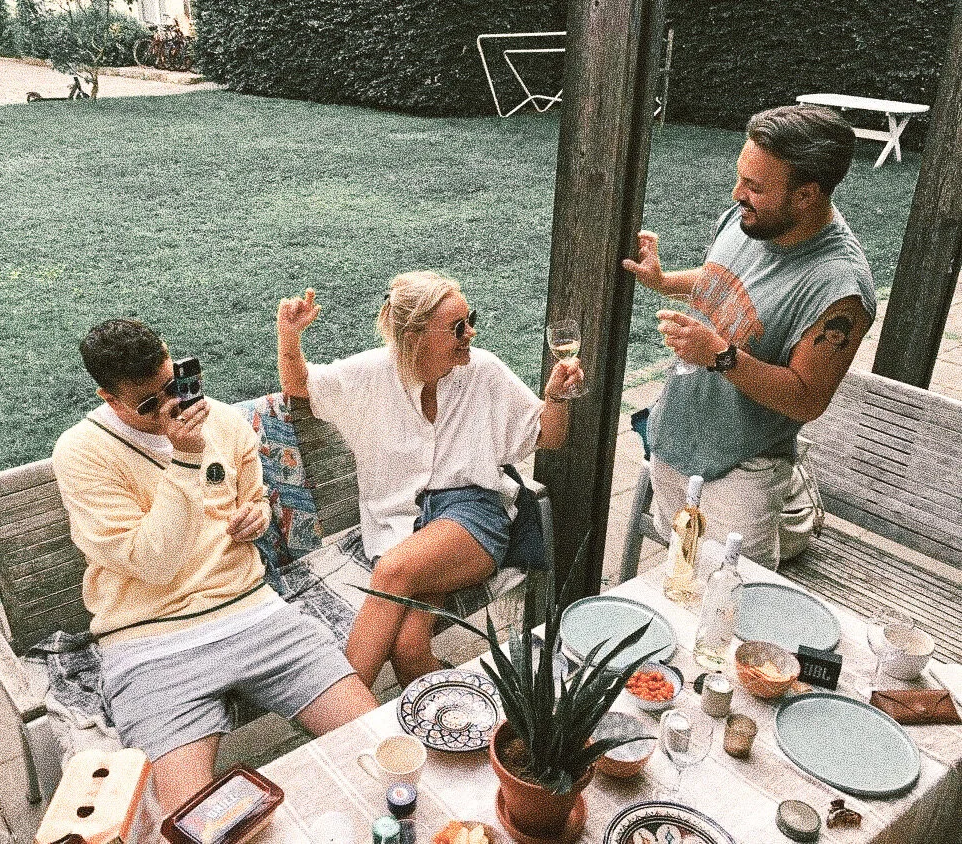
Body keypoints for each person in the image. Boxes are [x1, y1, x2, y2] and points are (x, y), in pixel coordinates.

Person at [52, 318, 377, 813]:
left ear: (172, 358)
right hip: (151, 641)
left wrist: (257, 516)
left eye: (173, 386)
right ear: (108, 398)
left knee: (377, 742)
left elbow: (252, 498)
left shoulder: (224, 421)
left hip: (253, 612)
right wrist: (185, 459)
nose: (170, 408)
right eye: (148, 404)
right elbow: (151, 562)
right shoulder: (81, 453)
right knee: (189, 819)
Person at [276, 271, 584, 689]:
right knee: (408, 650)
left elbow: (548, 435)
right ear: (416, 336)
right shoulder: (373, 373)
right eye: (457, 327)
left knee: (391, 573)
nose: (470, 333)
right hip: (399, 525)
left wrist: (556, 397)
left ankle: (346, 715)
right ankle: (468, 711)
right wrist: (289, 335)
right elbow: (299, 384)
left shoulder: (483, 371)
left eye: (470, 320)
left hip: (471, 513)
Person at [622, 104, 875, 569]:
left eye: (754, 186)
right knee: (680, 568)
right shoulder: (750, 219)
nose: (737, 193)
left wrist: (721, 356)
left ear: (806, 195)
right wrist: (664, 280)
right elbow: (726, 280)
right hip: (677, 436)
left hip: (745, 469)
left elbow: (806, 399)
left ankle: (797, 509)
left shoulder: (840, 289)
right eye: (741, 178)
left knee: (729, 593)